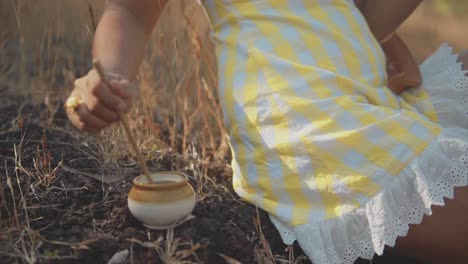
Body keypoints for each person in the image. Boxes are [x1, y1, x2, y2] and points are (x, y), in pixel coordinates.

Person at [65, 1, 468, 263]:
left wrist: (389, 48)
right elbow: (132, 13)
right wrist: (109, 76)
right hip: (309, 125)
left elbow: (354, 9)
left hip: (372, 99)